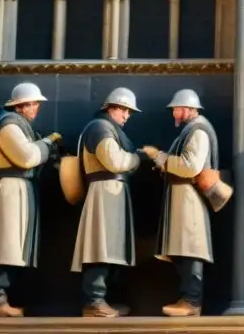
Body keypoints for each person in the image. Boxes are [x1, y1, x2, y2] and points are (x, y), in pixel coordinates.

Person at [0, 82, 61, 317]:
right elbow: (26, 157)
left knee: (12, 245)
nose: (36, 109)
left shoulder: (19, 126)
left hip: (19, 189)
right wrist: (46, 142)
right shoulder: (9, 126)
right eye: (33, 105)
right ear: (21, 105)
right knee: (3, 243)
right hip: (8, 189)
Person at [71, 88, 154, 317]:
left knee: (111, 248)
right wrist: (138, 158)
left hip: (113, 191)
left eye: (128, 111)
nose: (127, 116)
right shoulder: (101, 127)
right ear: (112, 108)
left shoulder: (108, 128)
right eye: (124, 110)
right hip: (105, 190)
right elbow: (114, 160)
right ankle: (94, 301)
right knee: (102, 247)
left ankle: (101, 299)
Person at [151, 89, 220, 317]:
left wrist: (160, 158)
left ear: (188, 109)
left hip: (189, 197)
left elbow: (191, 166)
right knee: (183, 248)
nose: (174, 114)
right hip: (182, 197)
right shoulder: (192, 129)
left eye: (176, 110)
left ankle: (191, 300)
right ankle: (189, 298)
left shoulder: (197, 131)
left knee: (190, 248)